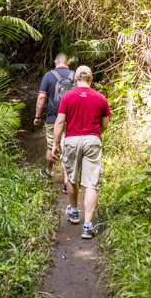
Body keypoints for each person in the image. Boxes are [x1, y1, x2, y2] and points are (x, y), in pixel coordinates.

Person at [52, 65, 110, 239]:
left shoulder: (67, 96)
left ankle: (75, 211)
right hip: (92, 139)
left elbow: (60, 122)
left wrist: (55, 144)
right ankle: (87, 226)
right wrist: (93, 135)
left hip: (72, 139)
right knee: (91, 183)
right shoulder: (101, 98)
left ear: (76, 79)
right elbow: (105, 125)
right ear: (91, 79)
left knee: (71, 177)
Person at [33, 53, 75, 190]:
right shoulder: (75, 75)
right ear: (67, 63)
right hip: (71, 118)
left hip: (53, 118)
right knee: (67, 149)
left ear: (55, 62)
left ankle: (48, 172)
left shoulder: (48, 76)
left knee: (52, 146)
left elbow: (41, 98)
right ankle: (66, 182)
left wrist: (37, 117)